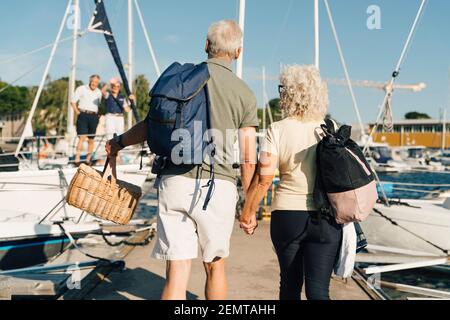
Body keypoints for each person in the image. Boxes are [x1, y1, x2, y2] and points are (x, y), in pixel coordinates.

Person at [105, 20, 259, 300]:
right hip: (218, 188)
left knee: (176, 273)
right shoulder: (244, 93)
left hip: (174, 180)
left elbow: (150, 125)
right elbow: (249, 159)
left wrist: (118, 143)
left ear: (206, 46)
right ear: (238, 52)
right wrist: (249, 207)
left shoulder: (181, 81)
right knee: (215, 268)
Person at [239, 65, 342, 300]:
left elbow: (264, 178)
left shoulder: (277, 129)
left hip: (288, 217)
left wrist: (248, 212)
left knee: (289, 286)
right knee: (318, 291)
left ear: (288, 95)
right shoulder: (331, 128)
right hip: (326, 217)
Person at [71, 75, 102, 165]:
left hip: (94, 116)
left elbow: (99, 106)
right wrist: (78, 112)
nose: (94, 84)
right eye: (93, 81)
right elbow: (73, 102)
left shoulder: (99, 92)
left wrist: (98, 116)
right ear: (90, 81)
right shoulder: (81, 88)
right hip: (83, 114)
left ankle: (88, 159)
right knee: (82, 137)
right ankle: (77, 158)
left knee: (91, 139)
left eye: (96, 82)